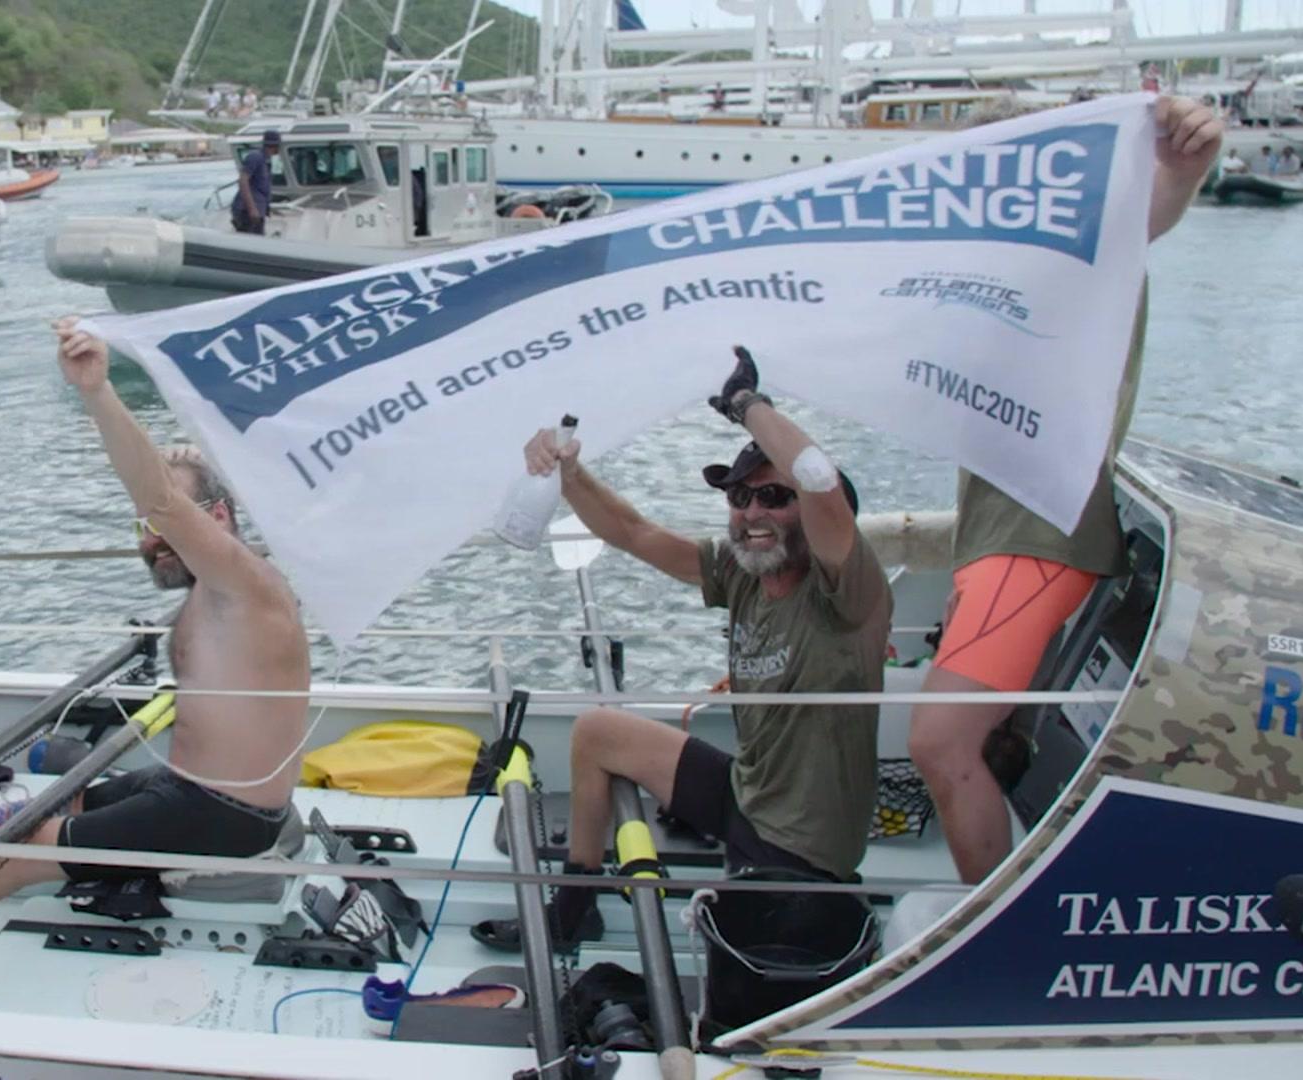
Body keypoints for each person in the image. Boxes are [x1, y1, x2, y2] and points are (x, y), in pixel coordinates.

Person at [476, 348, 892, 950]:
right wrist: (566, 470)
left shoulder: (849, 592)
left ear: (823, 520)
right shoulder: (743, 572)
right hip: (745, 793)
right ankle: (573, 911)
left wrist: (747, 404)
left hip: (802, 845)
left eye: (774, 498)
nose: (752, 513)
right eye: (739, 498)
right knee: (596, 732)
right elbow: (633, 531)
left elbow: (820, 483)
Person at [907, 96, 1222, 885]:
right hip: (997, 540)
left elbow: (1141, 219)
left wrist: (1182, 169)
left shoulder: (1078, 247)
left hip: (1039, 540)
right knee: (972, 740)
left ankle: (991, 931)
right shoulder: (994, 265)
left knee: (941, 744)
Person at [0, 319, 310, 909]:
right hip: (191, 788)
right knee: (64, 800)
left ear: (214, 521)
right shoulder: (217, 590)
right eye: (142, 529)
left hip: (229, 815)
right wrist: (184, 460)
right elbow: (170, 495)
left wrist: (97, 393)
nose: (149, 538)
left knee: (27, 845)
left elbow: (161, 496)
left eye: (160, 527)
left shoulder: (247, 586)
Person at [232, 130, 280, 236]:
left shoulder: (266, 161)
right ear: (275, 146)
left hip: (258, 210)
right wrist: (252, 209)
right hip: (246, 212)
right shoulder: (255, 157)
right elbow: (243, 181)